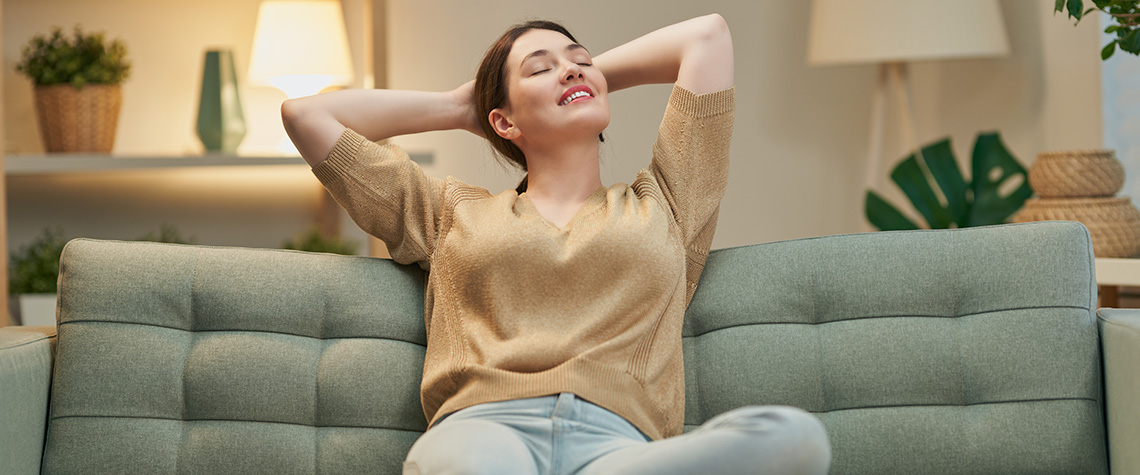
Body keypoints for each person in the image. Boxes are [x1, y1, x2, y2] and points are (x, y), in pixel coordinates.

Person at [281, 13, 831, 475]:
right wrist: (463, 107)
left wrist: (574, 79)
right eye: (541, 68)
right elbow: (307, 115)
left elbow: (706, 36)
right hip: (483, 431)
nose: (570, 67)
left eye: (579, 59)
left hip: (618, 448)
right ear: (502, 122)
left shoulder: (666, 202)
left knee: (795, 437)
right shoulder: (449, 213)